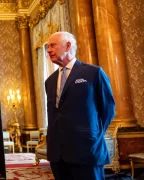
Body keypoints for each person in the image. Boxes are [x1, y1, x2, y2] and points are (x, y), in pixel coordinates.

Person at [45, 31, 115, 180]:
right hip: (58, 154)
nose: (48, 50)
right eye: (47, 46)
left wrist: (94, 135)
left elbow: (108, 109)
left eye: (52, 45)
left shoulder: (93, 73)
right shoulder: (50, 81)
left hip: (87, 150)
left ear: (68, 45)